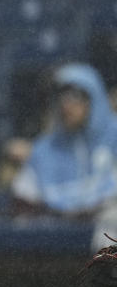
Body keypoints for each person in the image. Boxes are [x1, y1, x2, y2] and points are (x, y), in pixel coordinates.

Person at [10, 62, 117, 218]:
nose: (66, 105)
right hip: (61, 234)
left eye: (75, 95)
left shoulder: (114, 134)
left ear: (94, 96)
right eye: (60, 96)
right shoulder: (44, 150)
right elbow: (23, 201)